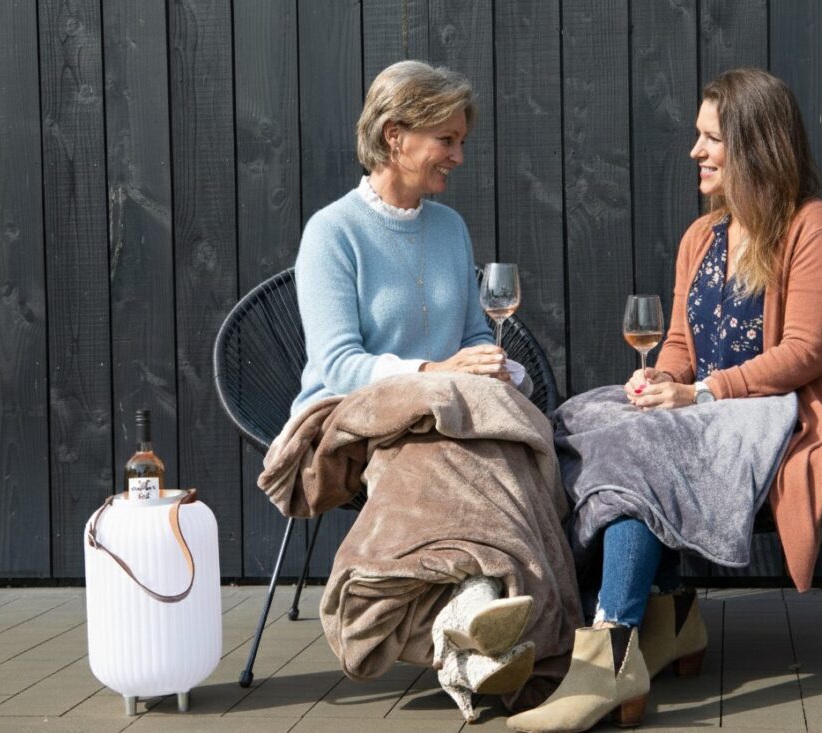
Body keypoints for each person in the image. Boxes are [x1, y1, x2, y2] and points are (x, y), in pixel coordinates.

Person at [508, 67, 822, 733]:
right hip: (701, 411)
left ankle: (612, 646)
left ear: (754, 145)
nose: (694, 151)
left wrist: (699, 390)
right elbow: (677, 342)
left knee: (637, 446)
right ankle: (666, 613)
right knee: (580, 421)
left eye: (710, 138)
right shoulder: (703, 237)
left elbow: (804, 354)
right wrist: (659, 379)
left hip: (777, 414)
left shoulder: (814, 228)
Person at [286, 60, 580, 721]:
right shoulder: (332, 233)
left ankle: (470, 622)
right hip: (355, 418)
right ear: (395, 135)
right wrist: (436, 376)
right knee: (466, 441)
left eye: (460, 140)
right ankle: (478, 608)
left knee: (492, 437)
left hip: (445, 413)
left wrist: (496, 371)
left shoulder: (449, 228)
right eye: (446, 139)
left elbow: (478, 334)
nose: (458, 155)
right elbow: (339, 365)